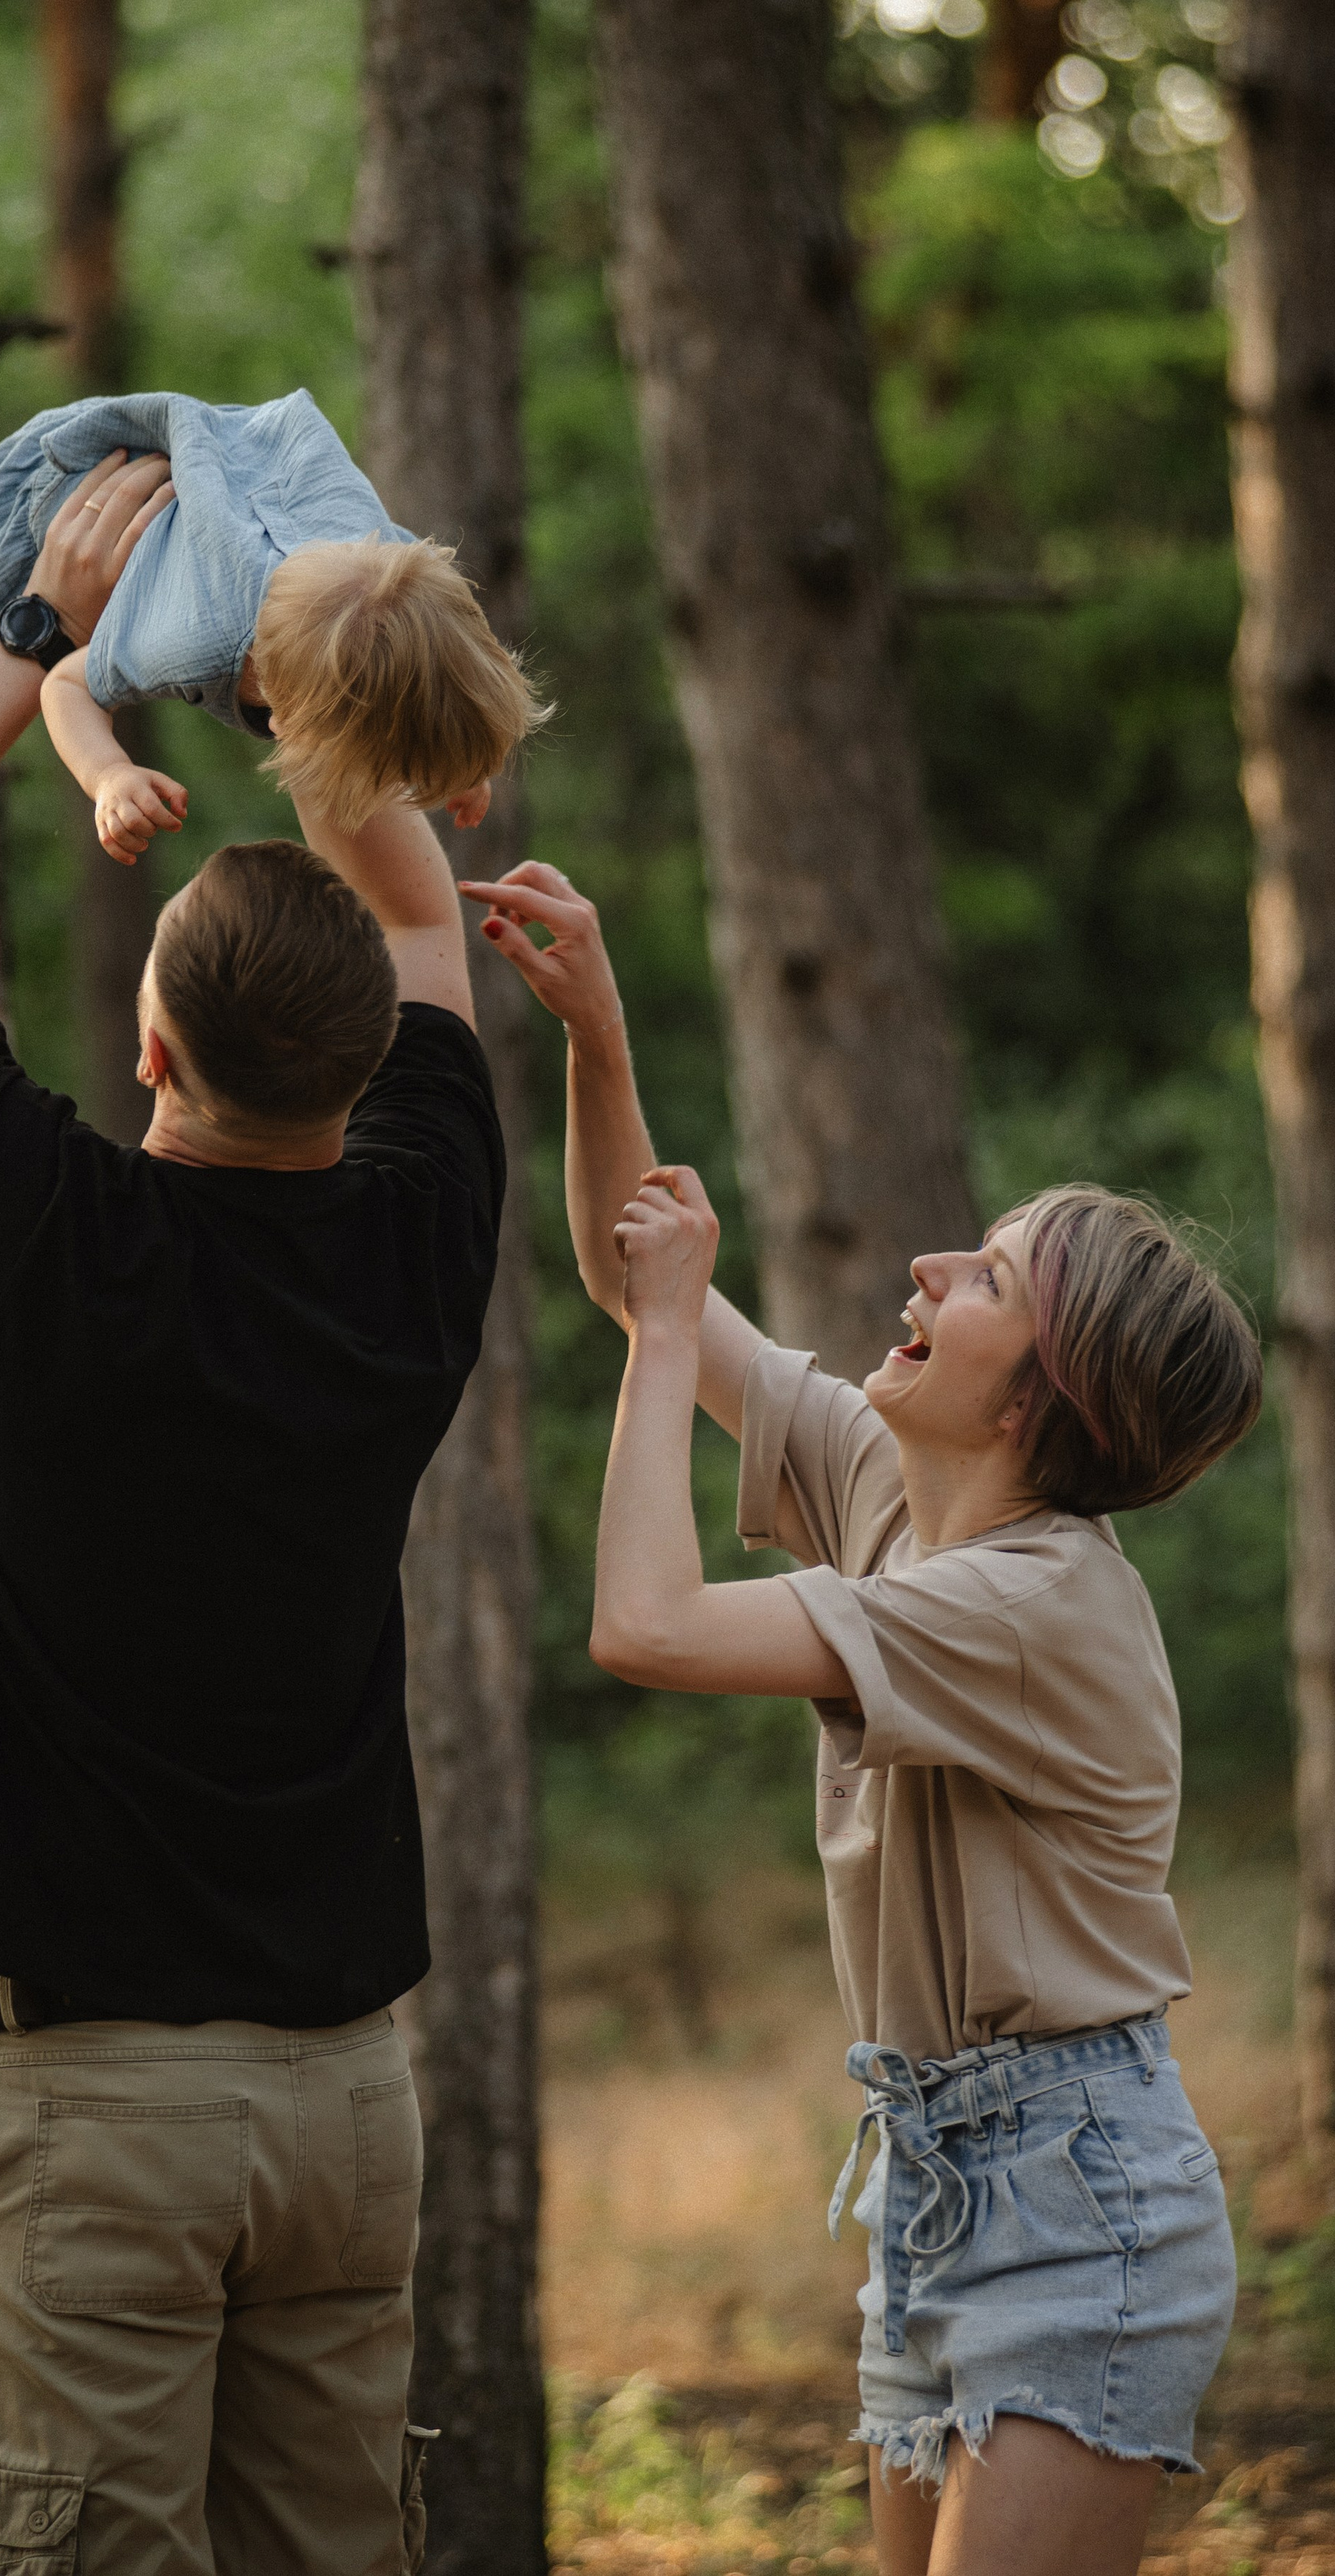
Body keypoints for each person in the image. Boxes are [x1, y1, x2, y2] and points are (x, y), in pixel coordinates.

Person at [0, 450, 508, 2576]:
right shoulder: (422, 1242)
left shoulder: (65, 1246)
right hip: (351, 2105)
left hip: (93, 2110)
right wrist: (290, 660)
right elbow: (426, 914)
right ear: (365, 1072)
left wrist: (39, 629)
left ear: (153, 1040)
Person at [457, 858, 1262, 2576]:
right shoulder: (899, 1494)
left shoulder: (1032, 1602)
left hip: (1073, 2204)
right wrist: (596, 1032)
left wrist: (676, 1322)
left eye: (976, 1276)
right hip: (938, 2174)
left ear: (1041, 1397)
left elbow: (643, 1624)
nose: (920, 1268)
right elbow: (626, 1283)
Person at [0, 369, 545, 865]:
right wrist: (108, 775)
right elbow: (67, 685)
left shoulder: (381, 566)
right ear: (283, 702)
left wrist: (457, 761)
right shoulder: (201, 632)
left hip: (173, 487)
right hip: (67, 500)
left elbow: (446, 660)